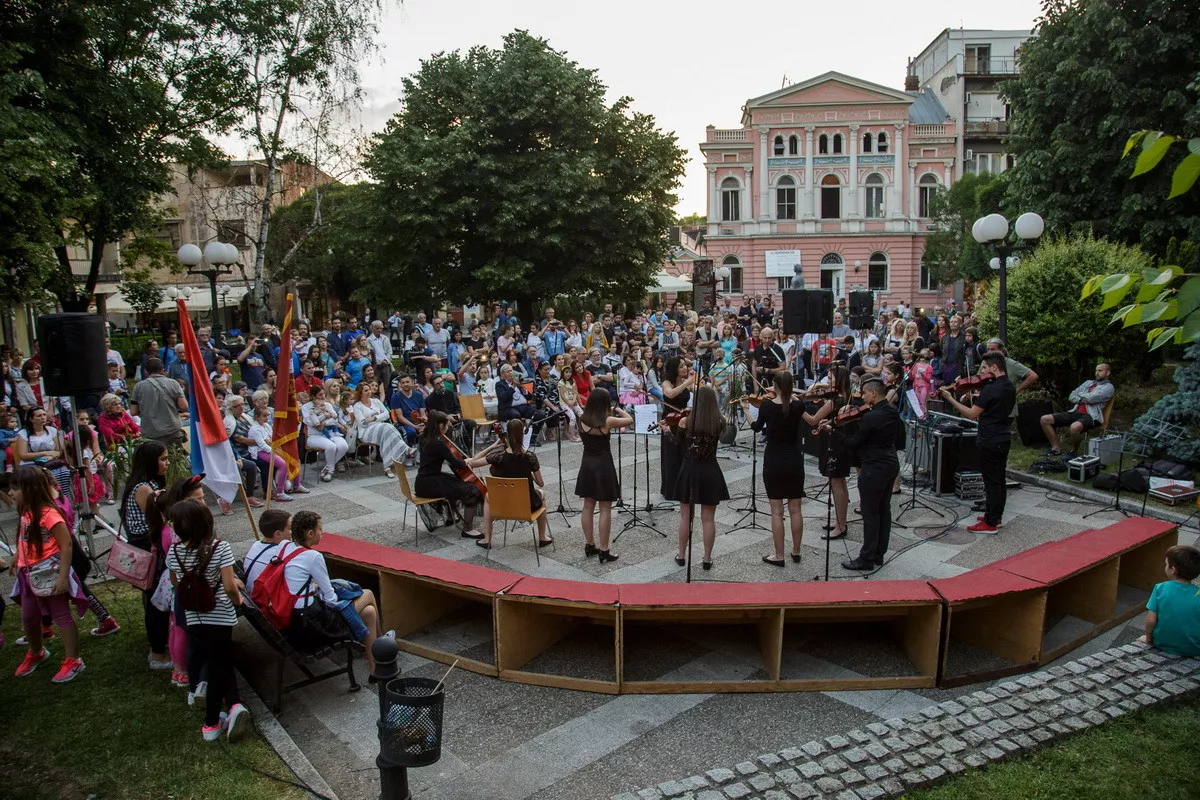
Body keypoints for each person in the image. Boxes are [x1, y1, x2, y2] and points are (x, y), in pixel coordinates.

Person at [164, 498, 252, 741]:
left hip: (194, 617)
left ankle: (231, 706)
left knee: (217, 662)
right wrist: (238, 601)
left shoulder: (174, 551)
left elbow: (175, 582)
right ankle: (211, 723)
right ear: (206, 523)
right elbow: (229, 585)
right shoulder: (220, 548)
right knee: (218, 666)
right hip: (220, 617)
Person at [9, 466, 87, 682]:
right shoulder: (26, 510)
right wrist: (18, 554)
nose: (11, 493)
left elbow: (66, 545)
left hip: (49, 574)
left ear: (31, 488)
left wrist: (63, 577)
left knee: (61, 615)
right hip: (28, 575)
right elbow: (24, 536)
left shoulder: (49, 513)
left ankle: (74, 660)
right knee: (28, 617)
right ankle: (36, 652)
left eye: (15, 488)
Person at [819, 378, 900, 571]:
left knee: (870, 513)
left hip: (874, 466)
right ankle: (879, 552)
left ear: (873, 393)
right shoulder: (891, 411)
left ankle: (866, 559)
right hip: (890, 462)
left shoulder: (871, 417)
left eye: (864, 393)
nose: (862, 397)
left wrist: (833, 431)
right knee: (884, 510)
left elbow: (853, 443)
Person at [743, 371, 815, 566]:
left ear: (775, 386)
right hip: (794, 460)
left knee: (776, 511)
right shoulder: (799, 406)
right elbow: (794, 403)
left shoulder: (766, 406)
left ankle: (779, 555)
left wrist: (746, 409)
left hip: (773, 460)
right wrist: (786, 392)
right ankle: (797, 551)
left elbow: (756, 427)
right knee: (795, 509)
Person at [938, 353, 1016, 533]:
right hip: (1003, 436)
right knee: (999, 480)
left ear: (994, 367)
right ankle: (995, 516)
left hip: (989, 438)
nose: (982, 372)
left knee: (991, 482)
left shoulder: (991, 389)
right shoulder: (1009, 385)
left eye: (985, 368)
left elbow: (972, 414)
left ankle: (990, 523)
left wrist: (950, 398)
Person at [120, 441, 173, 669]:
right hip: (149, 549)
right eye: (163, 459)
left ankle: (160, 641)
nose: (167, 463)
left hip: (149, 547)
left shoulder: (147, 484)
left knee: (154, 598)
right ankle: (158, 652)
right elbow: (158, 521)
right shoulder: (144, 489)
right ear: (150, 461)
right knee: (155, 600)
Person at [415, 410, 499, 539]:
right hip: (431, 483)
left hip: (422, 482)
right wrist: (468, 460)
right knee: (472, 490)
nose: (448, 428)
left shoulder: (423, 438)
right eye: (446, 425)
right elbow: (458, 464)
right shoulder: (438, 444)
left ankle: (450, 517)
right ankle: (467, 529)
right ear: (440, 426)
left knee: (455, 483)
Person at [674, 386, 729, 570]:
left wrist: (667, 430)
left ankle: (681, 555)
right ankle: (706, 558)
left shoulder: (685, 421)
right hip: (710, 470)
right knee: (708, 519)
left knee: (685, 517)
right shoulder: (720, 421)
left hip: (689, 470)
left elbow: (679, 446)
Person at [478, 419, 552, 550]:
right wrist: (531, 474)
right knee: (542, 495)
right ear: (522, 435)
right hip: (526, 506)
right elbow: (540, 483)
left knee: (488, 497)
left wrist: (491, 447)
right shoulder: (530, 457)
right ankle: (542, 537)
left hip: (502, 505)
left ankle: (487, 539)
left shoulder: (498, 456)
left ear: (507, 434)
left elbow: (472, 462)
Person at [574, 391, 631, 562]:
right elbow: (629, 420)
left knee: (587, 506)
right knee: (605, 508)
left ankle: (589, 544)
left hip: (587, 464)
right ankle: (604, 550)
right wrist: (618, 409)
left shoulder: (582, 418)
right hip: (603, 464)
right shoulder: (608, 420)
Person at [1040, 363, 1115, 457]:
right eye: (1096, 370)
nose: (1097, 373)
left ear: (1108, 372)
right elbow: (1072, 395)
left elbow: (1092, 399)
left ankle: (1074, 451)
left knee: (1074, 427)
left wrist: (1080, 394)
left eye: (1100, 371)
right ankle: (1056, 448)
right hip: (1076, 412)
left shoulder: (1108, 387)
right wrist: (1080, 399)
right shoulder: (1088, 383)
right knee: (1045, 419)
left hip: (1092, 416)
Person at [1138, 545, 1200, 657]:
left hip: (1162, 643)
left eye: (1167, 564)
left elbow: (1151, 621)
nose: (1165, 566)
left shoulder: (1160, 588)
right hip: (1194, 649)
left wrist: (1148, 639)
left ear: (1173, 570)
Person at [659, 357, 695, 501]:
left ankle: (684, 486)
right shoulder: (667, 383)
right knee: (671, 453)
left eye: (685, 366)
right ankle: (671, 488)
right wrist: (687, 383)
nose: (684, 369)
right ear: (674, 369)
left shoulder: (687, 382)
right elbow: (671, 394)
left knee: (683, 451)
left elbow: (700, 390)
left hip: (683, 418)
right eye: (681, 367)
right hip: (669, 419)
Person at [130, 357, 188, 447]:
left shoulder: (138, 387)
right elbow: (184, 407)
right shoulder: (174, 383)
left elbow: (133, 411)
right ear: (163, 370)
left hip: (150, 432)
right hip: (172, 430)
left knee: (154, 459)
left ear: (146, 371)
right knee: (176, 458)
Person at [353, 381, 405, 478]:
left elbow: (386, 414)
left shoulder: (376, 401)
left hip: (380, 428)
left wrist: (374, 418)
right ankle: (405, 449)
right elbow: (363, 423)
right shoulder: (357, 406)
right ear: (360, 393)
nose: (369, 392)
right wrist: (378, 418)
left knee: (386, 430)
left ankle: (387, 467)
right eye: (366, 390)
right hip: (365, 432)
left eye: (369, 389)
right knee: (387, 426)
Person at [302, 386, 349, 481]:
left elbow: (334, 420)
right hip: (314, 436)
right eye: (320, 395)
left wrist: (324, 423)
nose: (323, 396)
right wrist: (324, 416)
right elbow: (310, 423)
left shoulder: (327, 405)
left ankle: (327, 468)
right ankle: (330, 471)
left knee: (344, 446)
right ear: (313, 396)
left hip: (331, 433)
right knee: (331, 446)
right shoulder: (306, 407)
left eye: (323, 394)